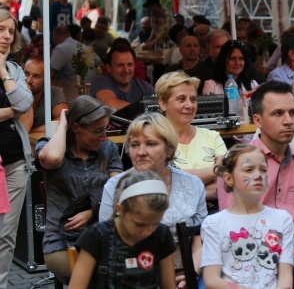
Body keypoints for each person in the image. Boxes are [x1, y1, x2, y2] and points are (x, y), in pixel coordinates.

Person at [217, 82, 294, 288]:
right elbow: (234, 226)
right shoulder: (236, 164)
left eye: (292, 113)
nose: (288, 121)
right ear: (257, 120)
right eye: (278, 114)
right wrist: (287, 251)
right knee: (293, 272)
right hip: (251, 245)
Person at [99, 113, 208, 268]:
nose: (141, 152)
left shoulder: (193, 184)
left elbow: (200, 242)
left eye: (150, 144)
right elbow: (107, 242)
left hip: (187, 271)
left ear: (169, 150)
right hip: (133, 273)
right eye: (135, 145)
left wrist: (191, 274)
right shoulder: (115, 186)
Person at [35, 96, 123, 280]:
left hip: (102, 237)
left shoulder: (108, 149)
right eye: (98, 131)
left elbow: (118, 192)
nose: (104, 137)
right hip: (61, 242)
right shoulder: (49, 146)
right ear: (76, 128)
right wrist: (62, 125)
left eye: (105, 129)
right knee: (102, 274)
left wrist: (92, 211)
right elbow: (52, 160)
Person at [201, 144, 294, 289]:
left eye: (263, 170)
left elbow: (286, 276)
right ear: (228, 179)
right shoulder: (214, 223)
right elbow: (211, 280)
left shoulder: (283, 219)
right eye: (249, 170)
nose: (258, 176)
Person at [70, 170, 175, 289]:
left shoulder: (161, 234)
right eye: (139, 224)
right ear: (120, 209)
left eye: (155, 224)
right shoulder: (97, 236)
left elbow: (168, 286)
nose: (147, 232)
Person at [155, 71, 227, 202]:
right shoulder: (154, 141)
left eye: (193, 99)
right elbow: (163, 184)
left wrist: (181, 191)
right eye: (181, 99)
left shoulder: (212, 137)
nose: (189, 105)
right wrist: (216, 171)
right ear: (163, 104)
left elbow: (226, 184)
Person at [0, 9, 33, 288]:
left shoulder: (14, 70)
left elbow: (24, 105)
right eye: (0, 29)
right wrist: (9, 111)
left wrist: (1, 72)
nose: (6, 36)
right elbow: (17, 108)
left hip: (16, 163)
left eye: (11, 31)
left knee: (7, 234)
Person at [90, 43, 155, 110]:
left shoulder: (145, 88)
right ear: (109, 68)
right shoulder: (101, 80)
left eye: (130, 65)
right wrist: (145, 109)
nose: (126, 70)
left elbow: (156, 112)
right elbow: (109, 104)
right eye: (120, 65)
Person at [202, 40, 260, 108]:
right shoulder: (211, 85)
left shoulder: (253, 84)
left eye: (241, 58)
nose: (237, 63)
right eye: (232, 58)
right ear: (223, 60)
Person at [20, 56, 68, 133]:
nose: (29, 80)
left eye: (36, 76)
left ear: (46, 79)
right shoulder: (13, 92)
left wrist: (32, 132)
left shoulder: (53, 92)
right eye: (26, 74)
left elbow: (64, 119)